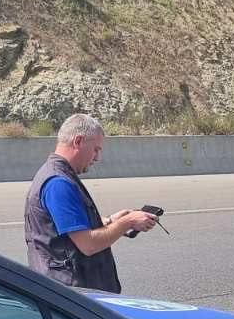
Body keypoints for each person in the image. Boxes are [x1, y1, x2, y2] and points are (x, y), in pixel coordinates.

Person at [24, 113, 157, 292]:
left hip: (68, 289)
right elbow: (88, 244)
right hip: (74, 293)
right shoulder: (58, 183)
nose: (97, 157)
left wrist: (111, 221)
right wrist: (128, 222)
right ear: (78, 141)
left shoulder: (57, 175)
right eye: (96, 149)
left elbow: (67, 229)